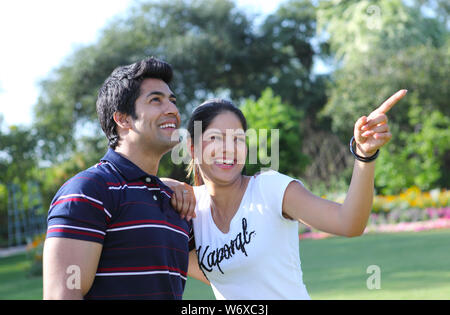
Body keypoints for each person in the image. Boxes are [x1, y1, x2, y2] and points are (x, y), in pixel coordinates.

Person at [179, 90, 407, 299]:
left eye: (238, 138)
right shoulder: (190, 210)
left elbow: (349, 224)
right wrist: (168, 185)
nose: (228, 148)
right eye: (215, 138)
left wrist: (364, 155)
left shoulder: (270, 189)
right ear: (192, 148)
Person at [43, 57, 196, 300]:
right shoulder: (88, 192)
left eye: (172, 100)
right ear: (123, 119)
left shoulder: (173, 200)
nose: (173, 110)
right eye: (156, 100)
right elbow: (62, 294)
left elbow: (225, 270)